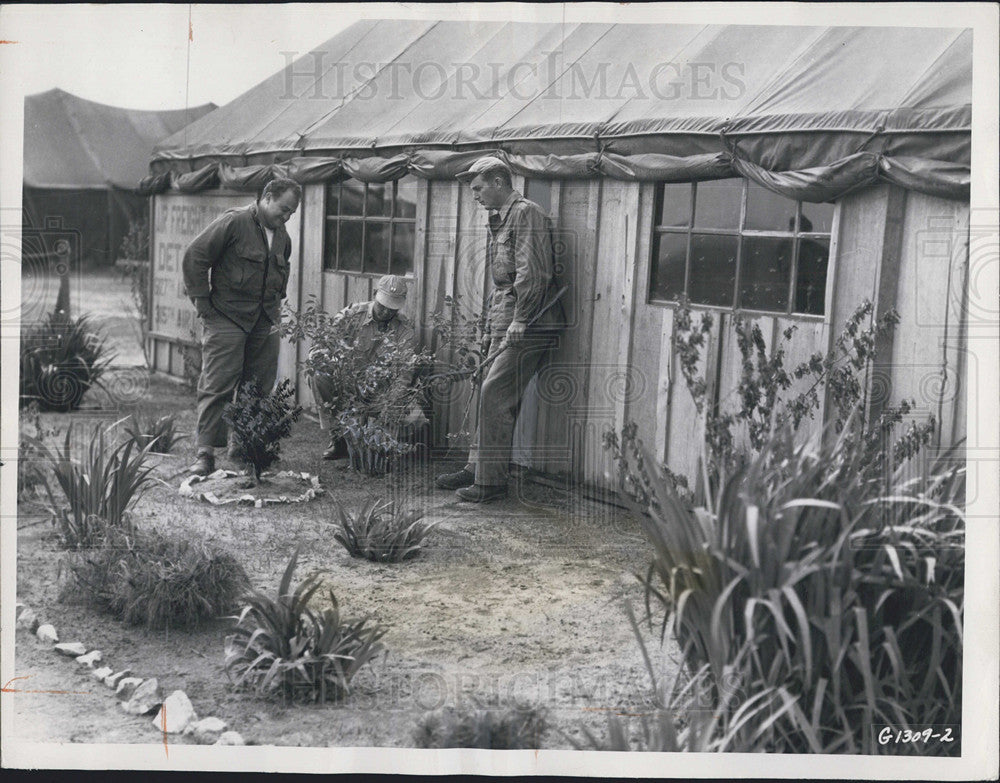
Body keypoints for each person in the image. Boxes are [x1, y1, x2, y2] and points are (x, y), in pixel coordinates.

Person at [435, 156, 565, 502]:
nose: (474, 195)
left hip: (532, 319)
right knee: (486, 387)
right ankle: (478, 466)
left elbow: (533, 273)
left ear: (497, 182)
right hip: (505, 313)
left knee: (495, 391)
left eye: (478, 188)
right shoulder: (499, 218)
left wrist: (520, 319)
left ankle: (490, 484)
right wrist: (497, 323)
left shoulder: (526, 213)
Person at [182, 177, 302, 476]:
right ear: (267, 197)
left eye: (291, 213)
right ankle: (205, 453)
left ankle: (244, 446)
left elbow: (281, 273)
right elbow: (195, 256)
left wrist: (274, 309)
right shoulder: (235, 222)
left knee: (259, 387)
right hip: (227, 317)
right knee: (218, 384)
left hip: (264, 321)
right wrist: (202, 302)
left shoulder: (283, 236)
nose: (286, 217)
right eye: (283, 209)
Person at [310, 274, 418, 459]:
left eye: (391, 308)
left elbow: (405, 373)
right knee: (319, 374)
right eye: (382, 305)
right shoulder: (352, 315)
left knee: (415, 414)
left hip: (380, 390)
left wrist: (391, 401)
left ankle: (378, 440)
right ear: (375, 293)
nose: (385, 312)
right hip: (347, 384)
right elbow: (322, 345)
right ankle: (338, 438)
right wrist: (325, 359)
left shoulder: (405, 330)